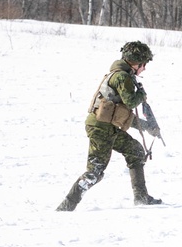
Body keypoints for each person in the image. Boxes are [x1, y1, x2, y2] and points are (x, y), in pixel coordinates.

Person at [56, 41, 163, 211]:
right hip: (100, 128)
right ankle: (65, 208)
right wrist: (141, 94)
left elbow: (122, 113)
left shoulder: (122, 75)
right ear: (135, 62)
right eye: (143, 64)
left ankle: (142, 198)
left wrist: (148, 127)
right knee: (94, 172)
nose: (144, 69)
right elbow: (131, 101)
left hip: (109, 128)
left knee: (135, 151)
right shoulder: (122, 77)